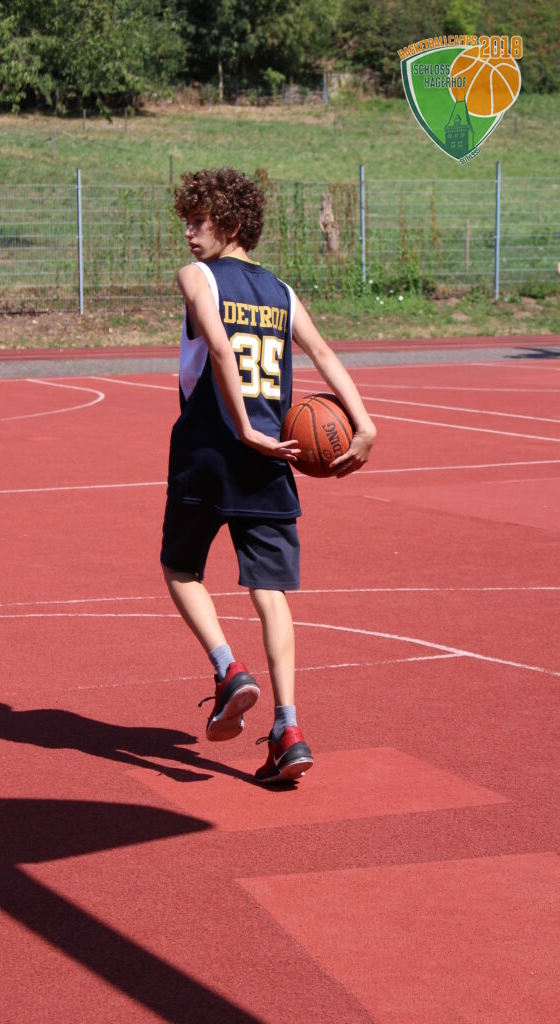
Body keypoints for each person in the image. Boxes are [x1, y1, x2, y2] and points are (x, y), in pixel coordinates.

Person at [160, 167, 377, 784]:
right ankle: (288, 727)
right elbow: (324, 353)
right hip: (274, 454)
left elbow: (220, 347)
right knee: (270, 590)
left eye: (198, 221)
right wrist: (364, 424)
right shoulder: (281, 291)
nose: (188, 233)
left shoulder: (197, 277)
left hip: (210, 448)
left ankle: (228, 669)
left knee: (179, 568)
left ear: (230, 224)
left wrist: (241, 427)